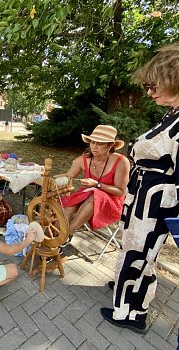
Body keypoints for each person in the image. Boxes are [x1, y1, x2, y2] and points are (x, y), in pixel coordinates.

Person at [100, 43, 179, 334]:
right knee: (134, 248)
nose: (149, 91)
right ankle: (126, 289)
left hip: (157, 202)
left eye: (153, 84)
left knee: (141, 253)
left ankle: (131, 313)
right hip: (143, 197)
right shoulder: (173, 114)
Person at [60, 125, 130, 240]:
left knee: (94, 196)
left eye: (100, 144)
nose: (95, 147)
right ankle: (58, 240)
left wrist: (97, 185)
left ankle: (68, 234)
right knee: (68, 208)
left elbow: (120, 192)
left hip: (112, 201)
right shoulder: (84, 160)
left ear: (111, 145)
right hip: (87, 194)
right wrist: (49, 178)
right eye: (92, 142)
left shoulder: (121, 161)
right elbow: (67, 177)